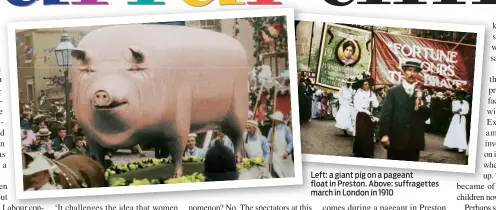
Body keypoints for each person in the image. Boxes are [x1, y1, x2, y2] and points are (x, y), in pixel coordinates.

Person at [379, 60, 428, 161]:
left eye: (415, 71)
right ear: (404, 72)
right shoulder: (393, 92)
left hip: (414, 142)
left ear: (418, 74)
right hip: (396, 139)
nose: (412, 74)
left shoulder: (420, 93)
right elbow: (385, 115)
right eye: (409, 70)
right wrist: (384, 134)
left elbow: (426, 116)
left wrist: (420, 104)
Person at [352, 77, 379, 158]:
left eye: (368, 84)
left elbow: (376, 104)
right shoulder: (358, 93)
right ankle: (359, 151)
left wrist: (373, 101)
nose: (367, 86)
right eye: (365, 84)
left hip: (369, 116)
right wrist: (365, 111)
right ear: (362, 85)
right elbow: (357, 105)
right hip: (361, 115)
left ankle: (368, 152)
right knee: (361, 133)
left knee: (369, 134)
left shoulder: (372, 93)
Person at [267, 112, 294, 178]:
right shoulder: (272, 130)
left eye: (274, 119)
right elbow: (267, 142)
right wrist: (270, 144)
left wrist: (287, 152)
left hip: (285, 154)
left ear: (278, 120)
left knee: (288, 174)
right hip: (275, 155)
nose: (273, 120)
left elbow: (291, 141)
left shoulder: (286, 129)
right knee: (279, 173)